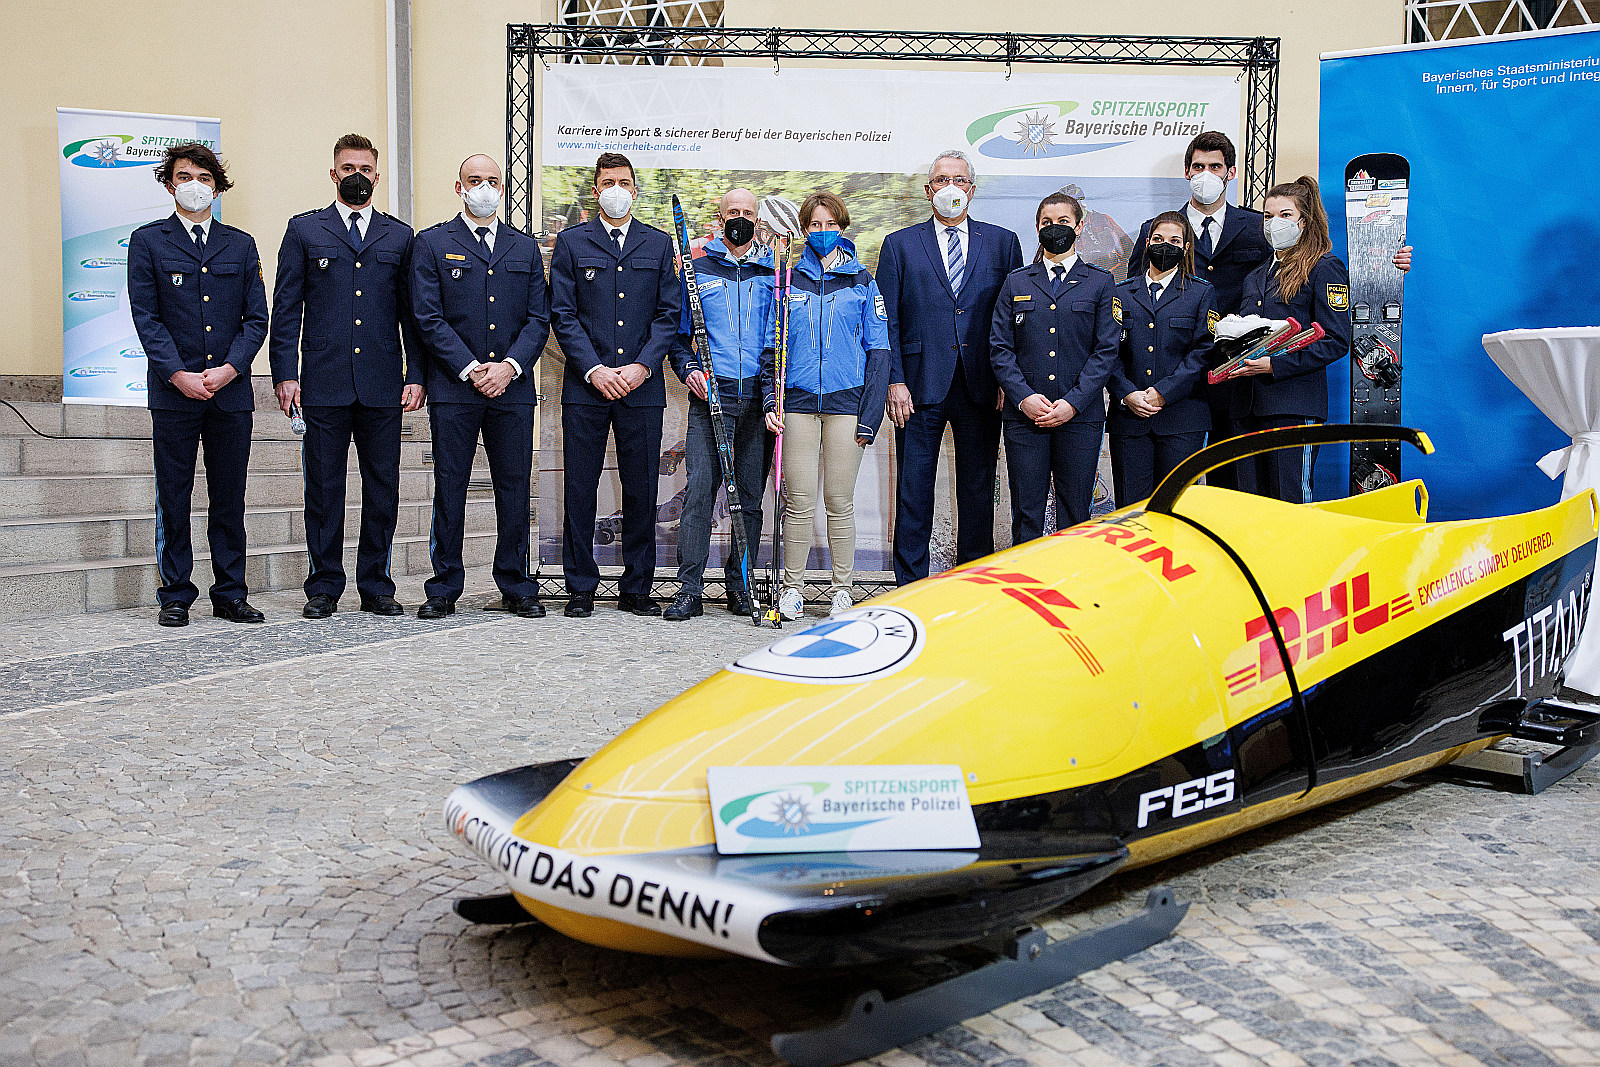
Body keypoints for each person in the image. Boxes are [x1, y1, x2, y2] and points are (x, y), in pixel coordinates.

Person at [269, 133, 424, 620]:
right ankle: (324, 585)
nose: (356, 175)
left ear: (376, 176)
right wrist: (284, 374)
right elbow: (286, 307)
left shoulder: (399, 236)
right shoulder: (304, 230)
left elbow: (412, 314)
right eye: (347, 167)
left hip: (381, 385)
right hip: (323, 382)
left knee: (383, 487)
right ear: (333, 174)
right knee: (323, 487)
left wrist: (415, 373)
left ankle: (376, 584)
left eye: (365, 168)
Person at [127, 143, 269, 627]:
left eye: (205, 178)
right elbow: (146, 318)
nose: (195, 185)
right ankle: (175, 593)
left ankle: (230, 592)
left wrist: (230, 369)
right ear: (170, 184)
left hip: (231, 394)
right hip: (173, 394)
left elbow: (257, 319)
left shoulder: (241, 244)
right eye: (185, 176)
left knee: (229, 496)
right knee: (175, 493)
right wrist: (177, 373)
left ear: (217, 186)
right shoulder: (148, 241)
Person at [410, 154, 549, 619]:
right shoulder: (431, 243)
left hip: (513, 389)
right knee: (450, 486)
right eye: (475, 180)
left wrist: (508, 367)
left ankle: (516, 584)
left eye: (493, 180)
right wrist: (471, 368)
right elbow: (427, 318)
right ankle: (444, 586)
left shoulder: (524, 247)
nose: (485, 188)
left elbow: (538, 318)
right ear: (458, 187)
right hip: (454, 388)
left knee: (514, 487)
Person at [879, 150, 1023, 586]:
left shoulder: (1003, 242)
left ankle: (972, 588)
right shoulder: (899, 244)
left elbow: (1015, 317)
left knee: (978, 490)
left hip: (983, 384)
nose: (950, 187)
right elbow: (888, 319)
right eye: (941, 179)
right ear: (928, 190)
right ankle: (909, 589)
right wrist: (895, 380)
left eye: (959, 179)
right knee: (913, 492)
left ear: (972, 189)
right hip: (918, 386)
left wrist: (1007, 379)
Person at [549, 152, 681, 618]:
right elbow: (562, 315)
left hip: (641, 388)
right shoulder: (570, 243)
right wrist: (594, 369)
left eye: (624, 181)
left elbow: (669, 315)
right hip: (586, 387)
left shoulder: (658, 244)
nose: (616, 189)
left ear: (635, 190)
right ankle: (580, 586)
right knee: (581, 488)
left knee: (642, 488)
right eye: (608, 181)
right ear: (595, 190)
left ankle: (638, 587)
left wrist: (643, 366)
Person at [762, 192, 890, 620]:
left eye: (830, 225)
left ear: (843, 227)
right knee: (797, 501)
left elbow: (879, 351)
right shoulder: (788, 282)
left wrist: (870, 416)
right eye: (814, 226)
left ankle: (841, 589)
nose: (822, 232)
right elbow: (771, 347)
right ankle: (793, 589)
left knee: (839, 500)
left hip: (846, 405)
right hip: (797, 404)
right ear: (804, 231)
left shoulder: (863, 282)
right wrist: (770, 400)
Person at [663, 188, 775, 621]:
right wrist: (689, 368)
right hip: (711, 395)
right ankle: (689, 588)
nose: (740, 219)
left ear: (757, 220)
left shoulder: (772, 273)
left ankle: (740, 587)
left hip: (757, 397)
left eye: (747, 213)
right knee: (699, 495)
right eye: (733, 212)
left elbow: (782, 336)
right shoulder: (698, 270)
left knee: (748, 499)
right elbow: (676, 335)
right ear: (720, 216)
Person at [989, 192, 1119, 542]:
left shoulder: (1100, 281)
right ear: (1036, 228)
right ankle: (1026, 591)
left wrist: (1073, 402)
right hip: (1024, 418)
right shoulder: (1017, 281)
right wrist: (1023, 398)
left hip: (1079, 417)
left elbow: (1106, 350)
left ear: (1079, 226)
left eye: (1063, 222)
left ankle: (1072, 591)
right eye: (1047, 222)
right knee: (1027, 512)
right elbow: (1000, 348)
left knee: (1076, 512)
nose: (1054, 229)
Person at [1226, 176, 1353, 503]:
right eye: (1268, 216)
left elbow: (1336, 339)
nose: (1273, 223)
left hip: (1293, 405)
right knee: (1249, 505)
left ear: (1304, 222)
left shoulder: (1324, 267)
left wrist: (1275, 366)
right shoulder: (1255, 276)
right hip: (1246, 406)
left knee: (1290, 502)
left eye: (1284, 215)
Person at [1108, 212, 1218, 505]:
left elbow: (1204, 351)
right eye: (1158, 239)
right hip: (1129, 420)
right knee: (1131, 511)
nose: (1164, 246)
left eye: (1174, 241)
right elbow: (1107, 352)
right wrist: (1127, 394)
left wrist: (1163, 393)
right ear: (1146, 243)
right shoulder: (1121, 293)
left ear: (1185, 248)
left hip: (1183, 419)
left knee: (1179, 509)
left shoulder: (1201, 292)